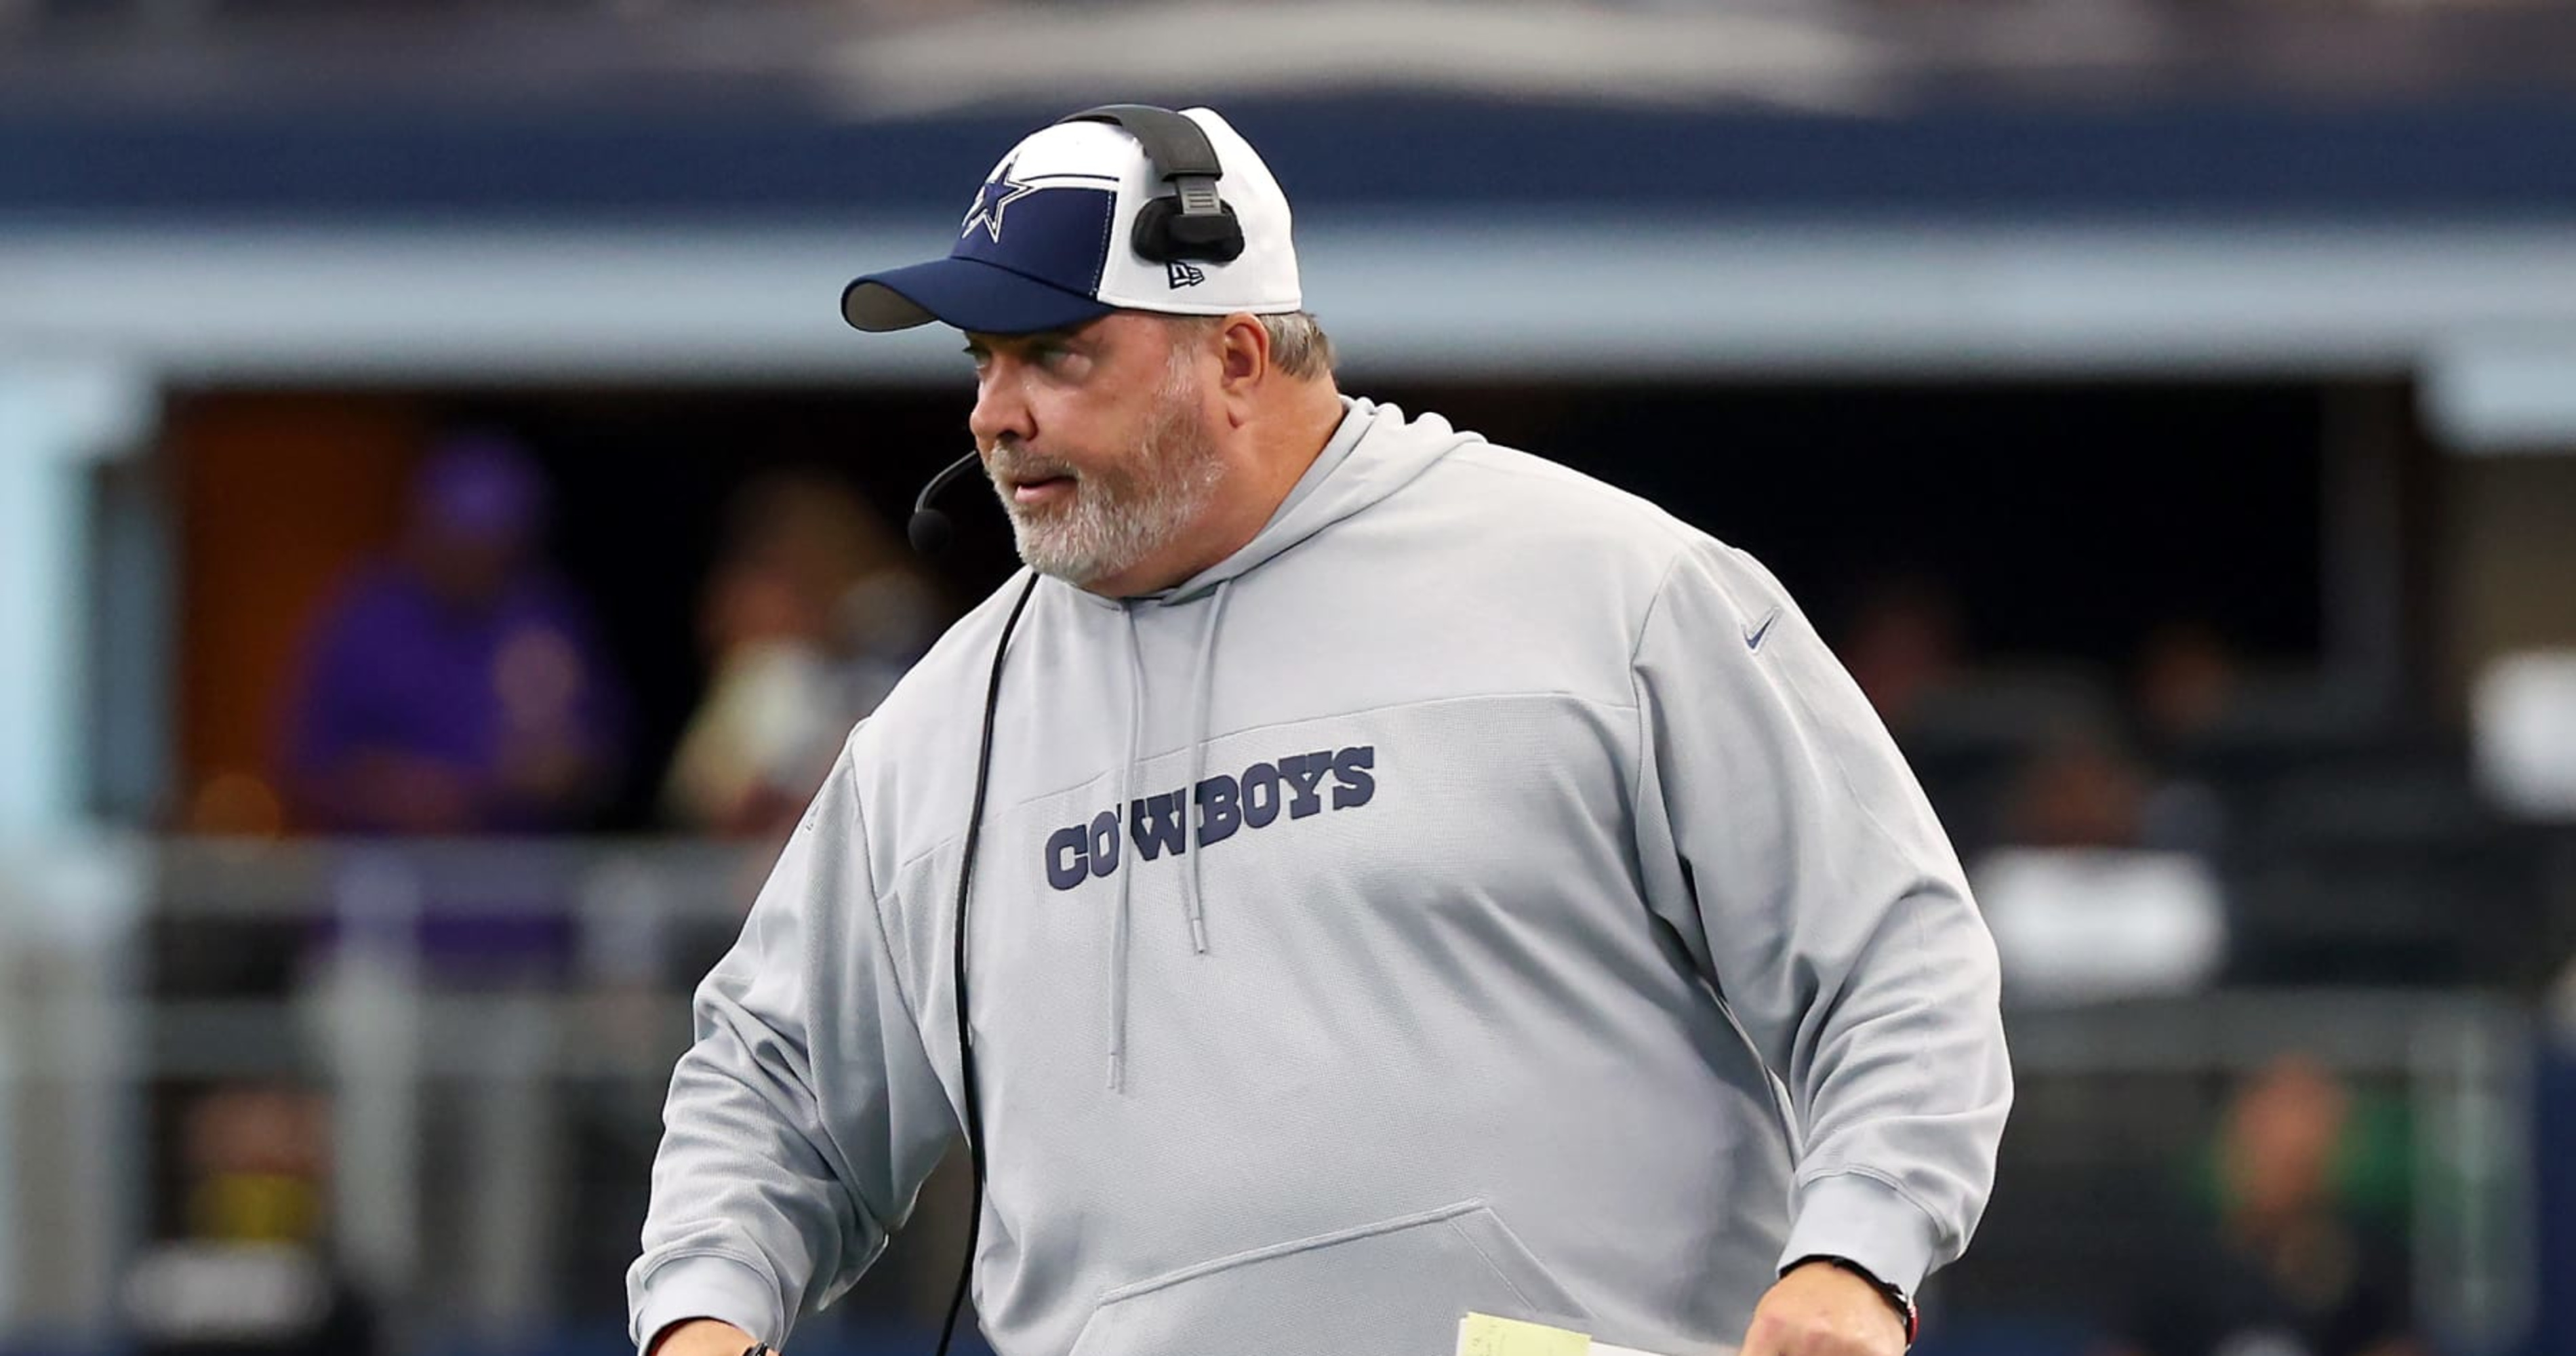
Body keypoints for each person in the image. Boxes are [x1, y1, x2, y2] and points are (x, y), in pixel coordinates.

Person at [629, 106, 2012, 1356]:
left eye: (1057, 353)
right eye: (985, 360)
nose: (998, 413)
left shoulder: (1603, 588)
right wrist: (701, 1312)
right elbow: (776, 1082)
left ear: (1233, 353)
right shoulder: (939, 732)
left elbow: (1891, 953)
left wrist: (1853, 1255)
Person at [281, 431, 629, 835]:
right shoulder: (366, 618)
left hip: (516, 877)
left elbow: (602, 755)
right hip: (386, 876)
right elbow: (306, 763)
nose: (475, 561)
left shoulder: (544, 613)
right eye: (460, 542)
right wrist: (399, 790)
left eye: (495, 544)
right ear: (425, 531)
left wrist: (559, 770)